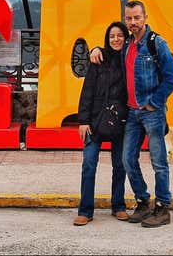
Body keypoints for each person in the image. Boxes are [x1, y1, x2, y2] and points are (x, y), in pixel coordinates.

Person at [89, 0, 173, 228]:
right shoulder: (127, 44)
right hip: (132, 114)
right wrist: (96, 49)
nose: (133, 22)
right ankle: (142, 201)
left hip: (152, 113)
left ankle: (162, 208)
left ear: (145, 17)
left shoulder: (157, 43)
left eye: (137, 18)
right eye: (129, 18)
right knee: (128, 160)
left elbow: (171, 79)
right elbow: (111, 55)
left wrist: (153, 103)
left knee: (159, 162)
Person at [73, 21, 130, 226]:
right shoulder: (98, 59)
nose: (116, 39)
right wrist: (83, 120)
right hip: (95, 120)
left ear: (126, 37)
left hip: (122, 120)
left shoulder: (130, 59)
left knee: (120, 164)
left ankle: (119, 205)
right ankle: (85, 210)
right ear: (108, 38)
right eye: (112, 36)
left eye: (120, 36)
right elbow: (87, 90)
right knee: (88, 164)